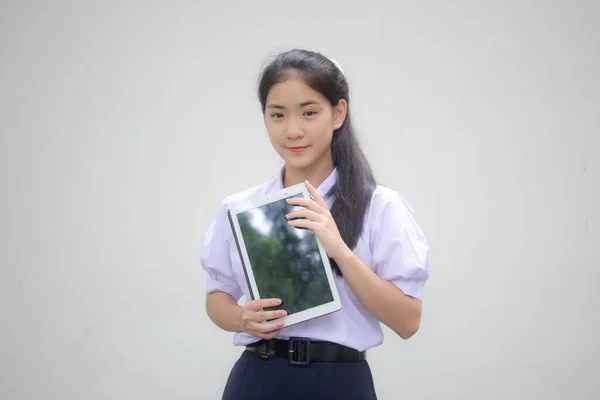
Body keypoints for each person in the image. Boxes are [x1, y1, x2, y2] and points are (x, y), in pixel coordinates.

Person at [200, 49, 430, 400]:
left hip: (339, 381)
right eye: (277, 115)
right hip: (257, 377)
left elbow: (408, 321)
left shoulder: (379, 206)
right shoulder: (239, 208)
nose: (293, 130)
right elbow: (217, 295)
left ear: (338, 113)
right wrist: (241, 318)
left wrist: (339, 250)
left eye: (309, 113)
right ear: (264, 118)